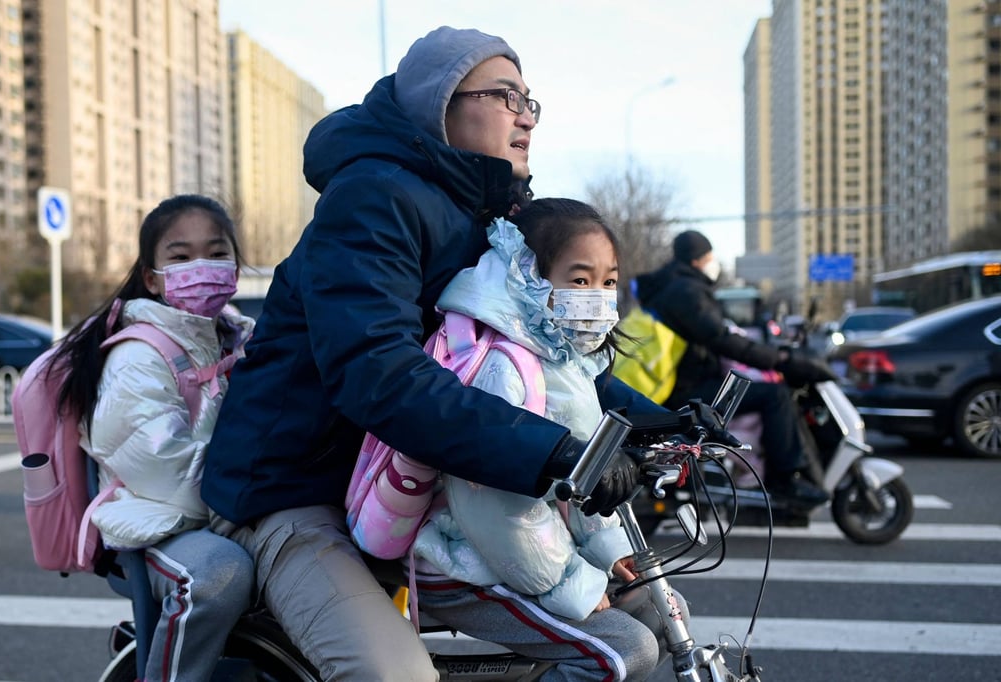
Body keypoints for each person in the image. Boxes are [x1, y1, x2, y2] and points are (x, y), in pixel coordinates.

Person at [201, 26, 664, 681]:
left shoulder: (489, 220)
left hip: (402, 491)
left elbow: (546, 359)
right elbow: (380, 375)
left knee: (642, 609)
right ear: (440, 104)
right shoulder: (373, 200)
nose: (526, 117)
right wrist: (554, 452)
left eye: (531, 101)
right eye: (506, 96)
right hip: (296, 493)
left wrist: (659, 421)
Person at [412, 198, 676, 681]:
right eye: (579, 280)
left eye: (608, 282)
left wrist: (609, 551)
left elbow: (578, 481)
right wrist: (573, 584)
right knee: (626, 652)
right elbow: (497, 512)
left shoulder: (567, 362)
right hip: (461, 562)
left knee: (664, 608)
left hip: (518, 555)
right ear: (530, 275)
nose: (597, 295)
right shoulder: (504, 365)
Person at [49, 194, 256, 681]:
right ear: (151, 276)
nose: (200, 268)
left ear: (236, 265)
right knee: (219, 573)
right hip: (156, 525)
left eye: (216, 253)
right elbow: (168, 477)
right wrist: (256, 503)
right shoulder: (136, 357)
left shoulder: (242, 340)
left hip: (223, 510)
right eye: (180, 258)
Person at [633, 230, 834, 508]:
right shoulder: (685, 292)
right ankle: (784, 480)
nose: (712, 262)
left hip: (685, 381)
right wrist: (780, 360)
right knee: (774, 395)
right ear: (696, 259)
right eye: (709, 256)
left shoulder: (674, 286)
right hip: (686, 390)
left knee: (762, 391)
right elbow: (720, 338)